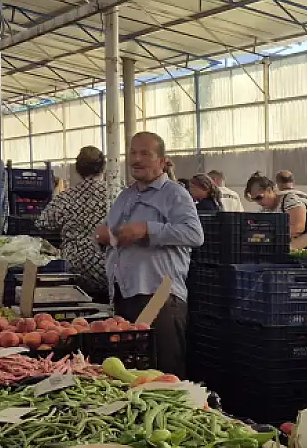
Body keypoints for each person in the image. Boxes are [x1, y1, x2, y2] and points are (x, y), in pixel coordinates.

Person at [97, 132, 201, 375]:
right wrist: (105, 236)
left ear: (162, 160)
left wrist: (147, 229)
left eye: (145, 153)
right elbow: (117, 235)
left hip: (159, 299)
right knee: (133, 372)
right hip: (125, 295)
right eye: (133, 153)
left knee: (165, 372)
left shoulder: (174, 194)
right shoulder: (125, 196)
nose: (136, 159)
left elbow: (194, 235)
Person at [36, 147, 112, 300]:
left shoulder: (66, 197)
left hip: (75, 271)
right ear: (104, 167)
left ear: (78, 170)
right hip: (110, 269)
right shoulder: (117, 194)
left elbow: (42, 223)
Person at [245, 173, 307, 243]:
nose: (258, 202)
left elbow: (298, 228)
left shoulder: (289, 200)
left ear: (269, 190)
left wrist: (270, 235)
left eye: (259, 197)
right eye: (254, 200)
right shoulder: (264, 210)